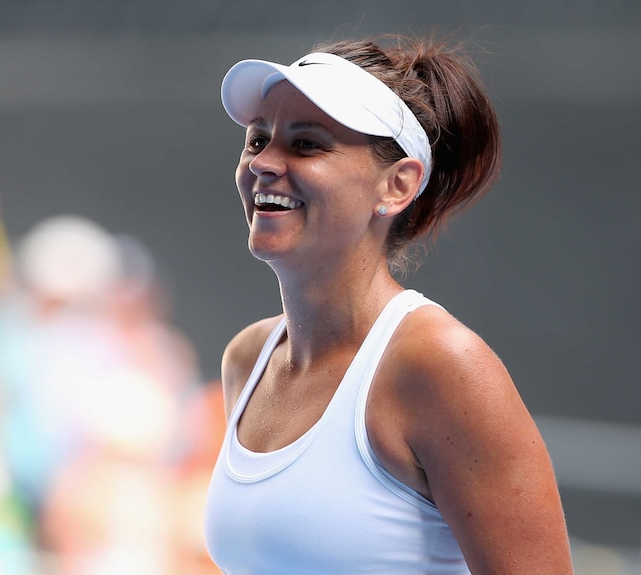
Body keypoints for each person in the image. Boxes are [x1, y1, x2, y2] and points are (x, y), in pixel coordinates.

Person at [203, 34, 573, 574]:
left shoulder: (443, 366)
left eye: (306, 144)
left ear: (398, 186)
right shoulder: (248, 359)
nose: (264, 162)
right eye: (258, 140)